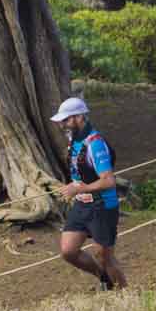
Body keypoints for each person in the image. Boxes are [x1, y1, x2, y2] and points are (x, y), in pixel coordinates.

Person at [50, 96, 128, 290]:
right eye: (61, 120)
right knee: (68, 251)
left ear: (79, 117)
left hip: (103, 206)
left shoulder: (96, 144)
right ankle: (104, 279)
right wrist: (72, 188)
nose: (62, 124)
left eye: (66, 120)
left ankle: (126, 294)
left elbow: (108, 181)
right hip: (82, 205)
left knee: (104, 256)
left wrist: (79, 188)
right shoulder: (73, 141)